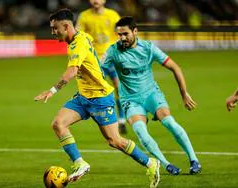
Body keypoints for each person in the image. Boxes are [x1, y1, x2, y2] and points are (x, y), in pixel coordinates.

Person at [34, 9, 160, 188]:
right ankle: (80, 163)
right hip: (84, 97)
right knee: (58, 124)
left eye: (55, 29)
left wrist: (52, 90)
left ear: (66, 26)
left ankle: (150, 163)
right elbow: (88, 40)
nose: (53, 32)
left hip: (100, 98)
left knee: (114, 141)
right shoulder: (79, 38)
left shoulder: (78, 44)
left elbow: (72, 71)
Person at [101, 16, 202, 175]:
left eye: (125, 34)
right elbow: (98, 69)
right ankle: (165, 164)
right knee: (141, 131)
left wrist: (184, 93)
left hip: (151, 94)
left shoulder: (148, 48)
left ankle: (194, 160)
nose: (122, 38)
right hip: (130, 100)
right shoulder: (113, 51)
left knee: (170, 123)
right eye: (119, 35)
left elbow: (175, 67)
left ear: (135, 31)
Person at [76, 0, 127, 134]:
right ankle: (105, 120)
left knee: (119, 88)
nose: (95, 0)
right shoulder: (84, 16)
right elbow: (78, 36)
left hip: (112, 59)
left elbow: (121, 34)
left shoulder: (113, 15)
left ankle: (121, 120)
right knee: (98, 90)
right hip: (94, 61)